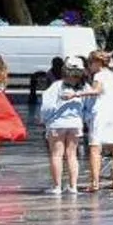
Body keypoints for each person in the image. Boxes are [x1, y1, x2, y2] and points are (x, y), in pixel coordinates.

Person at [83, 50, 113, 193]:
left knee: (95, 147)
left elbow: (96, 91)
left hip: (101, 112)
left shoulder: (99, 75)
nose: (89, 66)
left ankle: (94, 183)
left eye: (90, 63)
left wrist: (77, 94)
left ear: (97, 62)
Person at [40, 61, 89, 194]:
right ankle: (73, 186)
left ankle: (57, 187)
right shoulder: (84, 88)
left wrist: (44, 119)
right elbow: (88, 106)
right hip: (75, 124)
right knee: (72, 155)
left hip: (57, 123)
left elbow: (47, 106)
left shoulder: (57, 86)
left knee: (56, 155)